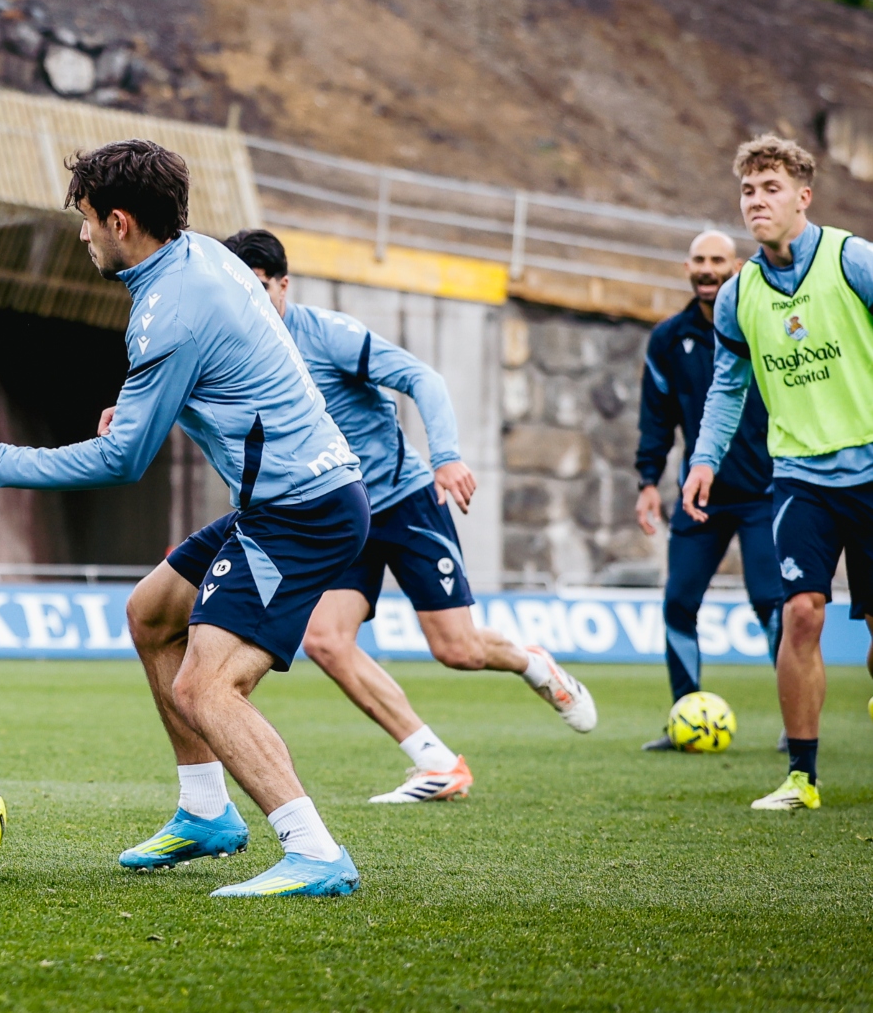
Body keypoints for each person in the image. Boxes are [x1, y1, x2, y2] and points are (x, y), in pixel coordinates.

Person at [0, 141, 369, 898]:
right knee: (153, 613)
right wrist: (154, 406)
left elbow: (122, 463)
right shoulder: (207, 260)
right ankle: (207, 814)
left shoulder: (168, 316)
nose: (83, 235)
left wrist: (1, 461)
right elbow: (247, 368)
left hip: (301, 514)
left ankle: (314, 850)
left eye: (87, 221)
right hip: (289, 498)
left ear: (120, 222)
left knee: (207, 689)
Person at [205, 230, 593, 810]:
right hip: (339, 511)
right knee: (327, 642)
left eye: (262, 289)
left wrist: (446, 456)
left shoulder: (327, 334)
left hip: (407, 498)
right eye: (242, 291)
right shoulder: (237, 349)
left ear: (285, 284)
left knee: (456, 650)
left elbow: (422, 378)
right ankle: (436, 761)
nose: (253, 302)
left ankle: (531, 662)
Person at [683, 135, 873, 811]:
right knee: (801, 615)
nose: (756, 201)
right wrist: (704, 458)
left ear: (804, 196)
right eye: (747, 190)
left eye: (770, 188)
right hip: (800, 480)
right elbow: (727, 389)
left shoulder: (854, 261)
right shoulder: (739, 295)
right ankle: (802, 777)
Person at [635, 230, 782, 749]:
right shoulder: (668, 340)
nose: (707, 269)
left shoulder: (761, 324)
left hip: (766, 492)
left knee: (773, 603)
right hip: (701, 499)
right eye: (699, 260)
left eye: (717, 260)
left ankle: (796, 722)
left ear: (736, 266)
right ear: (686, 267)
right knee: (678, 602)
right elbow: (656, 420)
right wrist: (647, 482)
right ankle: (684, 718)